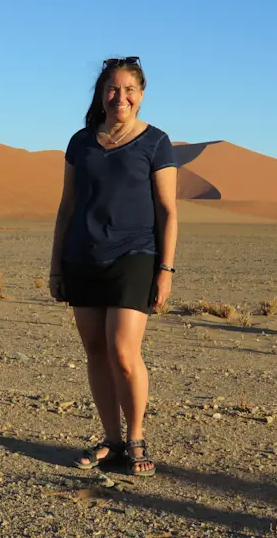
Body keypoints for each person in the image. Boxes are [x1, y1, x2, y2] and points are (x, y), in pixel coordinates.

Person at [49, 56, 178, 476]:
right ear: (101, 93)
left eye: (128, 90)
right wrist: (55, 268)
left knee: (123, 351)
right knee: (96, 352)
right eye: (112, 88)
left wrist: (166, 270)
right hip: (82, 256)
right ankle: (112, 440)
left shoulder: (156, 142)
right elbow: (66, 208)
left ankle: (136, 436)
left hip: (134, 256)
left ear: (140, 96)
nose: (119, 97)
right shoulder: (81, 142)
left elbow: (168, 211)